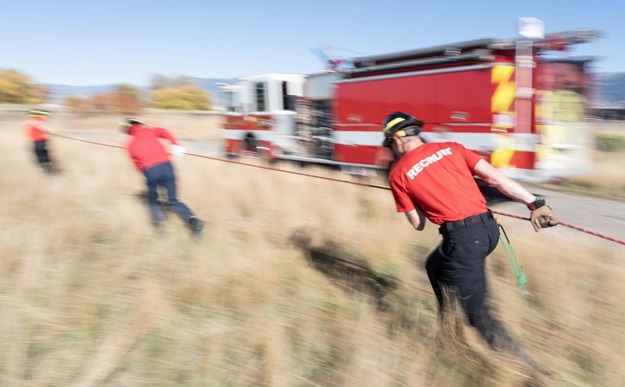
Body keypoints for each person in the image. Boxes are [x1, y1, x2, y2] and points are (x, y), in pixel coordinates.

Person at [382, 112, 558, 370]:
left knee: (477, 315)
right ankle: (449, 333)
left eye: (389, 144)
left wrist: (418, 198)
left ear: (397, 140)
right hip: (488, 230)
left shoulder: (398, 174)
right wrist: (535, 203)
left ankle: (531, 371)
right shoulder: (451, 147)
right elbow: (495, 179)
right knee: (435, 265)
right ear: (414, 133)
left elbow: (418, 224)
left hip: (464, 241)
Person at [121, 118, 204, 238]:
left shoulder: (129, 145)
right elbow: (164, 132)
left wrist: (150, 174)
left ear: (129, 129)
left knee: (152, 199)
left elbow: (138, 166)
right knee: (173, 201)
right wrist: (176, 145)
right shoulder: (150, 130)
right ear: (139, 124)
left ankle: (160, 229)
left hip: (151, 170)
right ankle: (193, 221)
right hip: (167, 166)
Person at [23, 109, 58, 174]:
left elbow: (41, 127)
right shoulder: (35, 121)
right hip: (38, 140)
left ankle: (49, 169)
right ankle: (48, 167)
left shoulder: (36, 121)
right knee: (41, 153)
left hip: (40, 140)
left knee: (41, 154)